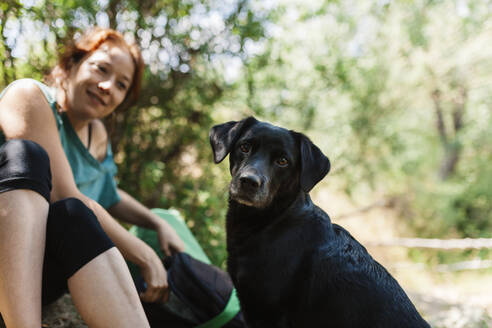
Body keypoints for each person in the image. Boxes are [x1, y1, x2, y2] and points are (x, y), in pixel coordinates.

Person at [0, 27, 185, 327]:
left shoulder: (96, 135)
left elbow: (109, 193)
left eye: (121, 85)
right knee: (28, 156)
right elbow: (64, 192)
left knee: (74, 216)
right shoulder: (28, 97)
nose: (107, 86)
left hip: (40, 274)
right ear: (73, 63)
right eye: (101, 69)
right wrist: (143, 253)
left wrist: (156, 221)